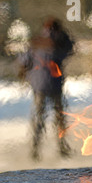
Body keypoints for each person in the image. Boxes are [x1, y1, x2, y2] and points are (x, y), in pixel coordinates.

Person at [18, 17, 74, 161]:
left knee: (43, 117)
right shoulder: (56, 41)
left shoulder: (39, 42)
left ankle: (39, 148)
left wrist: (24, 75)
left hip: (43, 85)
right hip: (50, 85)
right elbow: (70, 49)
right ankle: (53, 147)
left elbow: (24, 61)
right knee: (55, 117)